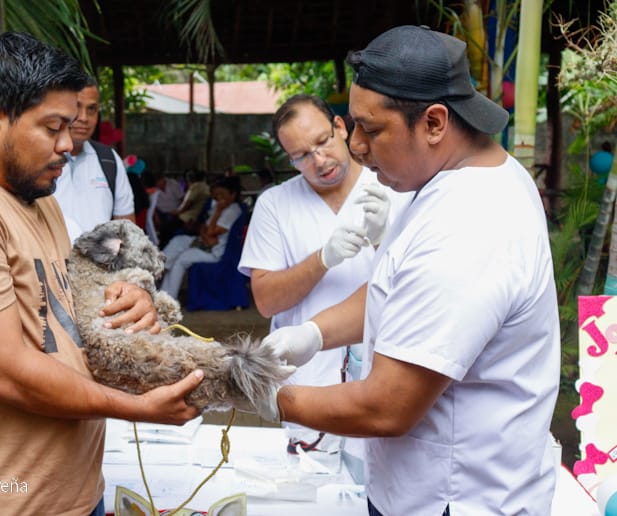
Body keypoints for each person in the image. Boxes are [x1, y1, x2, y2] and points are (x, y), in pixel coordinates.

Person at [0, 32, 203, 516]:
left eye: (73, 124)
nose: (68, 144)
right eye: (53, 127)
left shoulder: (40, 203)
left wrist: (128, 297)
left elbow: (65, 311)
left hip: (75, 492)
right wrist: (139, 409)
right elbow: (5, 373)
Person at [263, 26, 560, 515]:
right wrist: (313, 333)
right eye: (353, 126)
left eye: (372, 130)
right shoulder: (452, 177)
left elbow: (387, 405)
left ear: (436, 123)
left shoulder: (469, 226)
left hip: (456, 497)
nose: (355, 145)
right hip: (420, 489)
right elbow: (392, 290)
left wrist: (272, 397)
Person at [238, 94, 407, 481]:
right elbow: (265, 300)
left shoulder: (391, 188)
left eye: (323, 143)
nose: (319, 161)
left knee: (383, 485)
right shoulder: (275, 204)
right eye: (301, 156)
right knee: (313, 494)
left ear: (340, 127)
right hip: (307, 381)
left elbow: (416, 284)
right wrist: (323, 259)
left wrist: (382, 241)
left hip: (383, 374)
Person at [52, 76, 135, 240]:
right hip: (51, 264)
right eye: (76, 106)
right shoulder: (39, 160)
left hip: (99, 265)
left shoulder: (109, 160)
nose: (83, 117)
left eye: (91, 109)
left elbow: (127, 230)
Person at [160, 176, 242, 300]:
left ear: (233, 194)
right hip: (206, 243)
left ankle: (169, 298)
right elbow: (204, 229)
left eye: (222, 194)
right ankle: (161, 269)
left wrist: (217, 213)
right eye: (216, 195)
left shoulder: (232, 210)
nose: (218, 198)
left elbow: (209, 230)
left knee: (181, 259)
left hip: (215, 252)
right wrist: (207, 235)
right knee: (178, 241)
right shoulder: (217, 207)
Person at [170, 168, 210, 234]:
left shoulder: (196, 187)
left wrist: (177, 212)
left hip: (189, 217)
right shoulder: (205, 186)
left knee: (167, 226)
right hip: (198, 215)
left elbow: (188, 204)